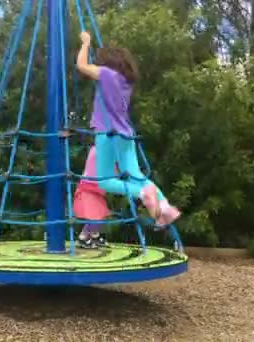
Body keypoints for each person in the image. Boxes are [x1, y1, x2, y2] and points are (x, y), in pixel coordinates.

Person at [75, 31, 181, 228]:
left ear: (108, 63)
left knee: (105, 181)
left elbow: (81, 65)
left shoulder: (106, 74)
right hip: (126, 135)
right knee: (136, 175)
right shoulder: (126, 82)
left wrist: (85, 44)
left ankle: (143, 194)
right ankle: (165, 208)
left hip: (108, 134)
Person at [73, 146, 109, 248]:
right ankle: (89, 236)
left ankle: (87, 237)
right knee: (94, 214)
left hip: (96, 186)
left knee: (99, 212)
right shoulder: (98, 150)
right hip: (89, 185)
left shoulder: (103, 150)